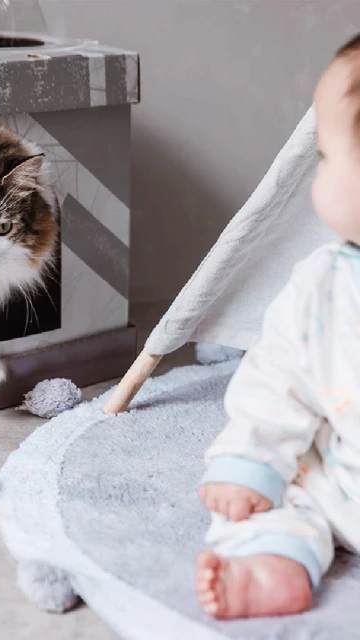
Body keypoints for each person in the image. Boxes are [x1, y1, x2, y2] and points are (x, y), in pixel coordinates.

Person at [195, 33, 360, 620]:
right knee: (276, 488)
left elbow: (279, 380)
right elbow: (279, 378)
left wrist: (251, 466)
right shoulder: (325, 280)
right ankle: (275, 564)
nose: (318, 174)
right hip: (343, 479)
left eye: (324, 157)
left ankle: (276, 553)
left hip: (342, 488)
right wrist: (254, 463)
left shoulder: (325, 284)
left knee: (280, 493)